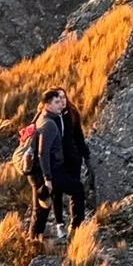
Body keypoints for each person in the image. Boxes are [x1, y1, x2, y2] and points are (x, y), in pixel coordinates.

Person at [36, 88, 88, 239]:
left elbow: (78, 135)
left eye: (63, 98)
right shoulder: (49, 121)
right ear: (48, 104)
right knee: (59, 193)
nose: (62, 102)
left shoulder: (70, 113)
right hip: (55, 164)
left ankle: (75, 225)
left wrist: (84, 154)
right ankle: (59, 226)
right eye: (58, 100)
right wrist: (47, 177)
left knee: (74, 189)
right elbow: (43, 151)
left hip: (69, 160)